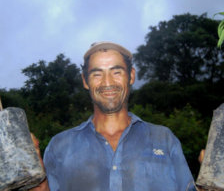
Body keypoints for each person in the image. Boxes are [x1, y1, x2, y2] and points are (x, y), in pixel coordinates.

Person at [31, 42, 197, 191]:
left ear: (131, 76)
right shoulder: (59, 146)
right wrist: (34, 178)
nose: (107, 82)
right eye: (97, 74)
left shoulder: (164, 139)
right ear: (85, 80)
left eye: (116, 72)